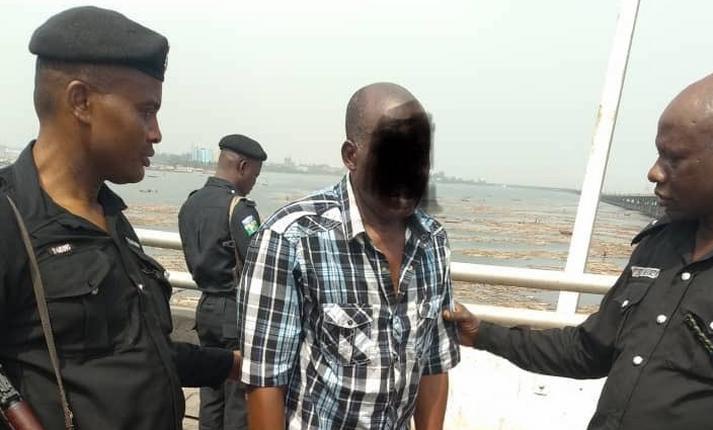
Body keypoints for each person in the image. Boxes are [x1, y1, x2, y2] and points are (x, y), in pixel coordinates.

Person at [444, 67, 713, 429]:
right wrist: (482, 333)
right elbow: (589, 350)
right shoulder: (660, 244)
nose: (654, 172)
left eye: (674, 158)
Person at [0, 6, 239, 430]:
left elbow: (138, 353)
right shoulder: (9, 218)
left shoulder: (112, 218)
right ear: (81, 102)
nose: (156, 133)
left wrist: (232, 364)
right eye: (145, 110)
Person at [238, 82, 460, 430]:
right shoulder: (290, 239)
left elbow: (434, 366)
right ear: (351, 155)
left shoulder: (432, 241)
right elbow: (265, 382)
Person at [179, 134, 266, 430]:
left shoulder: (191, 204)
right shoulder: (239, 209)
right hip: (234, 311)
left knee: (211, 389)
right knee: (239, 393)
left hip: (205, 308)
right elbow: (260, 262)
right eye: (255, 174)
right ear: (242, 166)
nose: (254, 181)